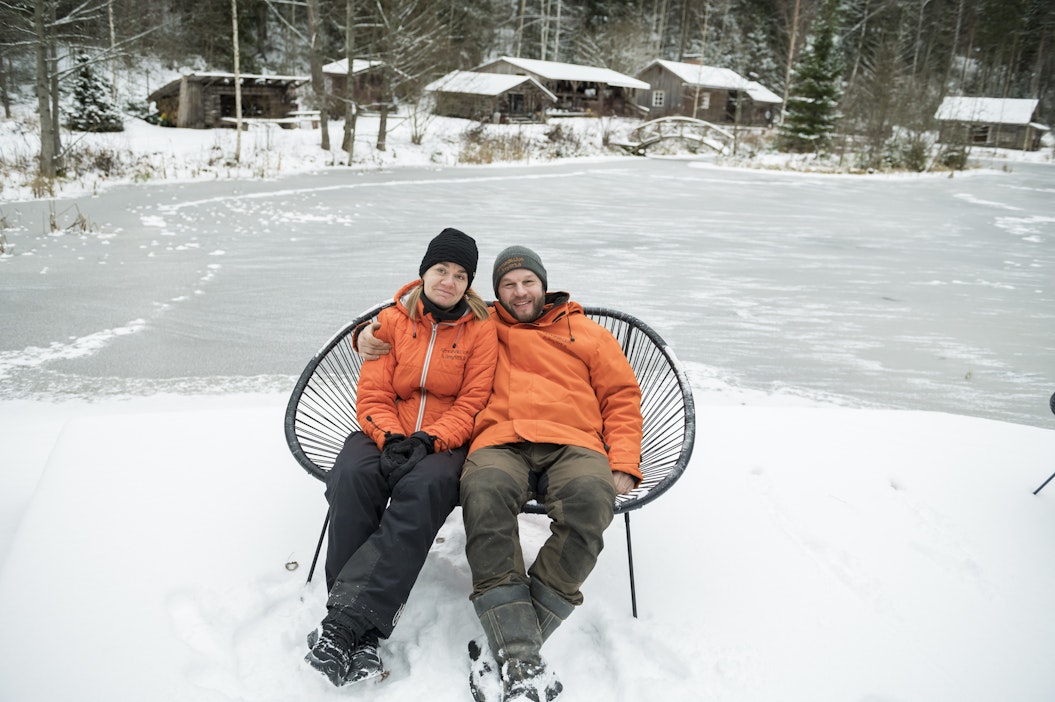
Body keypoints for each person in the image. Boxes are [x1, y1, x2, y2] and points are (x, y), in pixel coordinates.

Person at [358, 246, 643, 701]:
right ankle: (521, 655)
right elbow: (420, 315)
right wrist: (366, 335)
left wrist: (625, 461)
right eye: (508, 285)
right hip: (501, 440)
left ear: (544, 284)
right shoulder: (483, 326)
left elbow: (622, 398)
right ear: (495, 293)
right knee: (484, 492)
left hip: (574, 441)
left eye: (528, 282)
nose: (519, 291)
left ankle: (512, 651)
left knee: (591, 500)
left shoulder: (586, 332)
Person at [305, 227, 498, 688]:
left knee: (426, 487)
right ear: (424, 272)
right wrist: (390, 436)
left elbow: (473, 403)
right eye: (441, 270)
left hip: (443, 441)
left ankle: (353, 627)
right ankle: (349, 616)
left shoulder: (482, 330)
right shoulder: (391, 322)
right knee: (353, 475)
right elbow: (372, 392)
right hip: (383, 429)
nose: (449, 281)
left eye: (460, 275)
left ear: (468, 283)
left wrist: (429, 441)